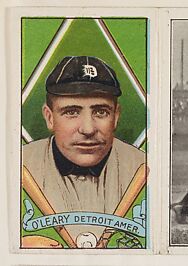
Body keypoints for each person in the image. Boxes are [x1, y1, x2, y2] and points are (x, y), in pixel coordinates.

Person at [21, 56, 146, 248]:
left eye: (101, 112)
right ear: (49, 118)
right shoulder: (18, 165)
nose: (88, 129)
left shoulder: (144, 167)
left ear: (116, 116)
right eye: (72, 112)